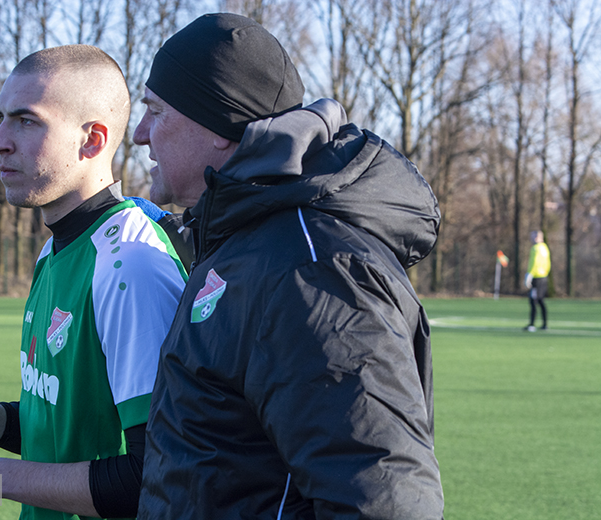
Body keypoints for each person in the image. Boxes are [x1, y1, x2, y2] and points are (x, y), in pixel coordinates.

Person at [133, 13, 444, 519]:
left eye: (156, 111)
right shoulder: (243, 243)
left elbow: (381, 500)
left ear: (216, 126)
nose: (141, 134)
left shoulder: (312, 267)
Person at [0, 45, 187, 520]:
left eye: (26, 121)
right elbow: (68, 434)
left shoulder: (130, 265)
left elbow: (154, 477)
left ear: (91, 141)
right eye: (1, 118)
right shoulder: (54, 251)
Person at [524, 230, 551, 331]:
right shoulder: (545, 248)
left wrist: (529, 275)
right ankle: (544, 324)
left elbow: (534, 263)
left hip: (536, 277)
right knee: (540, 300)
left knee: (533, 300)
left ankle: (532, 324)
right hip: (544, 277)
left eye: (533, 236)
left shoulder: (535, 249)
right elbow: (548, 264)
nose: (531, 239)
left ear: (537, 237)